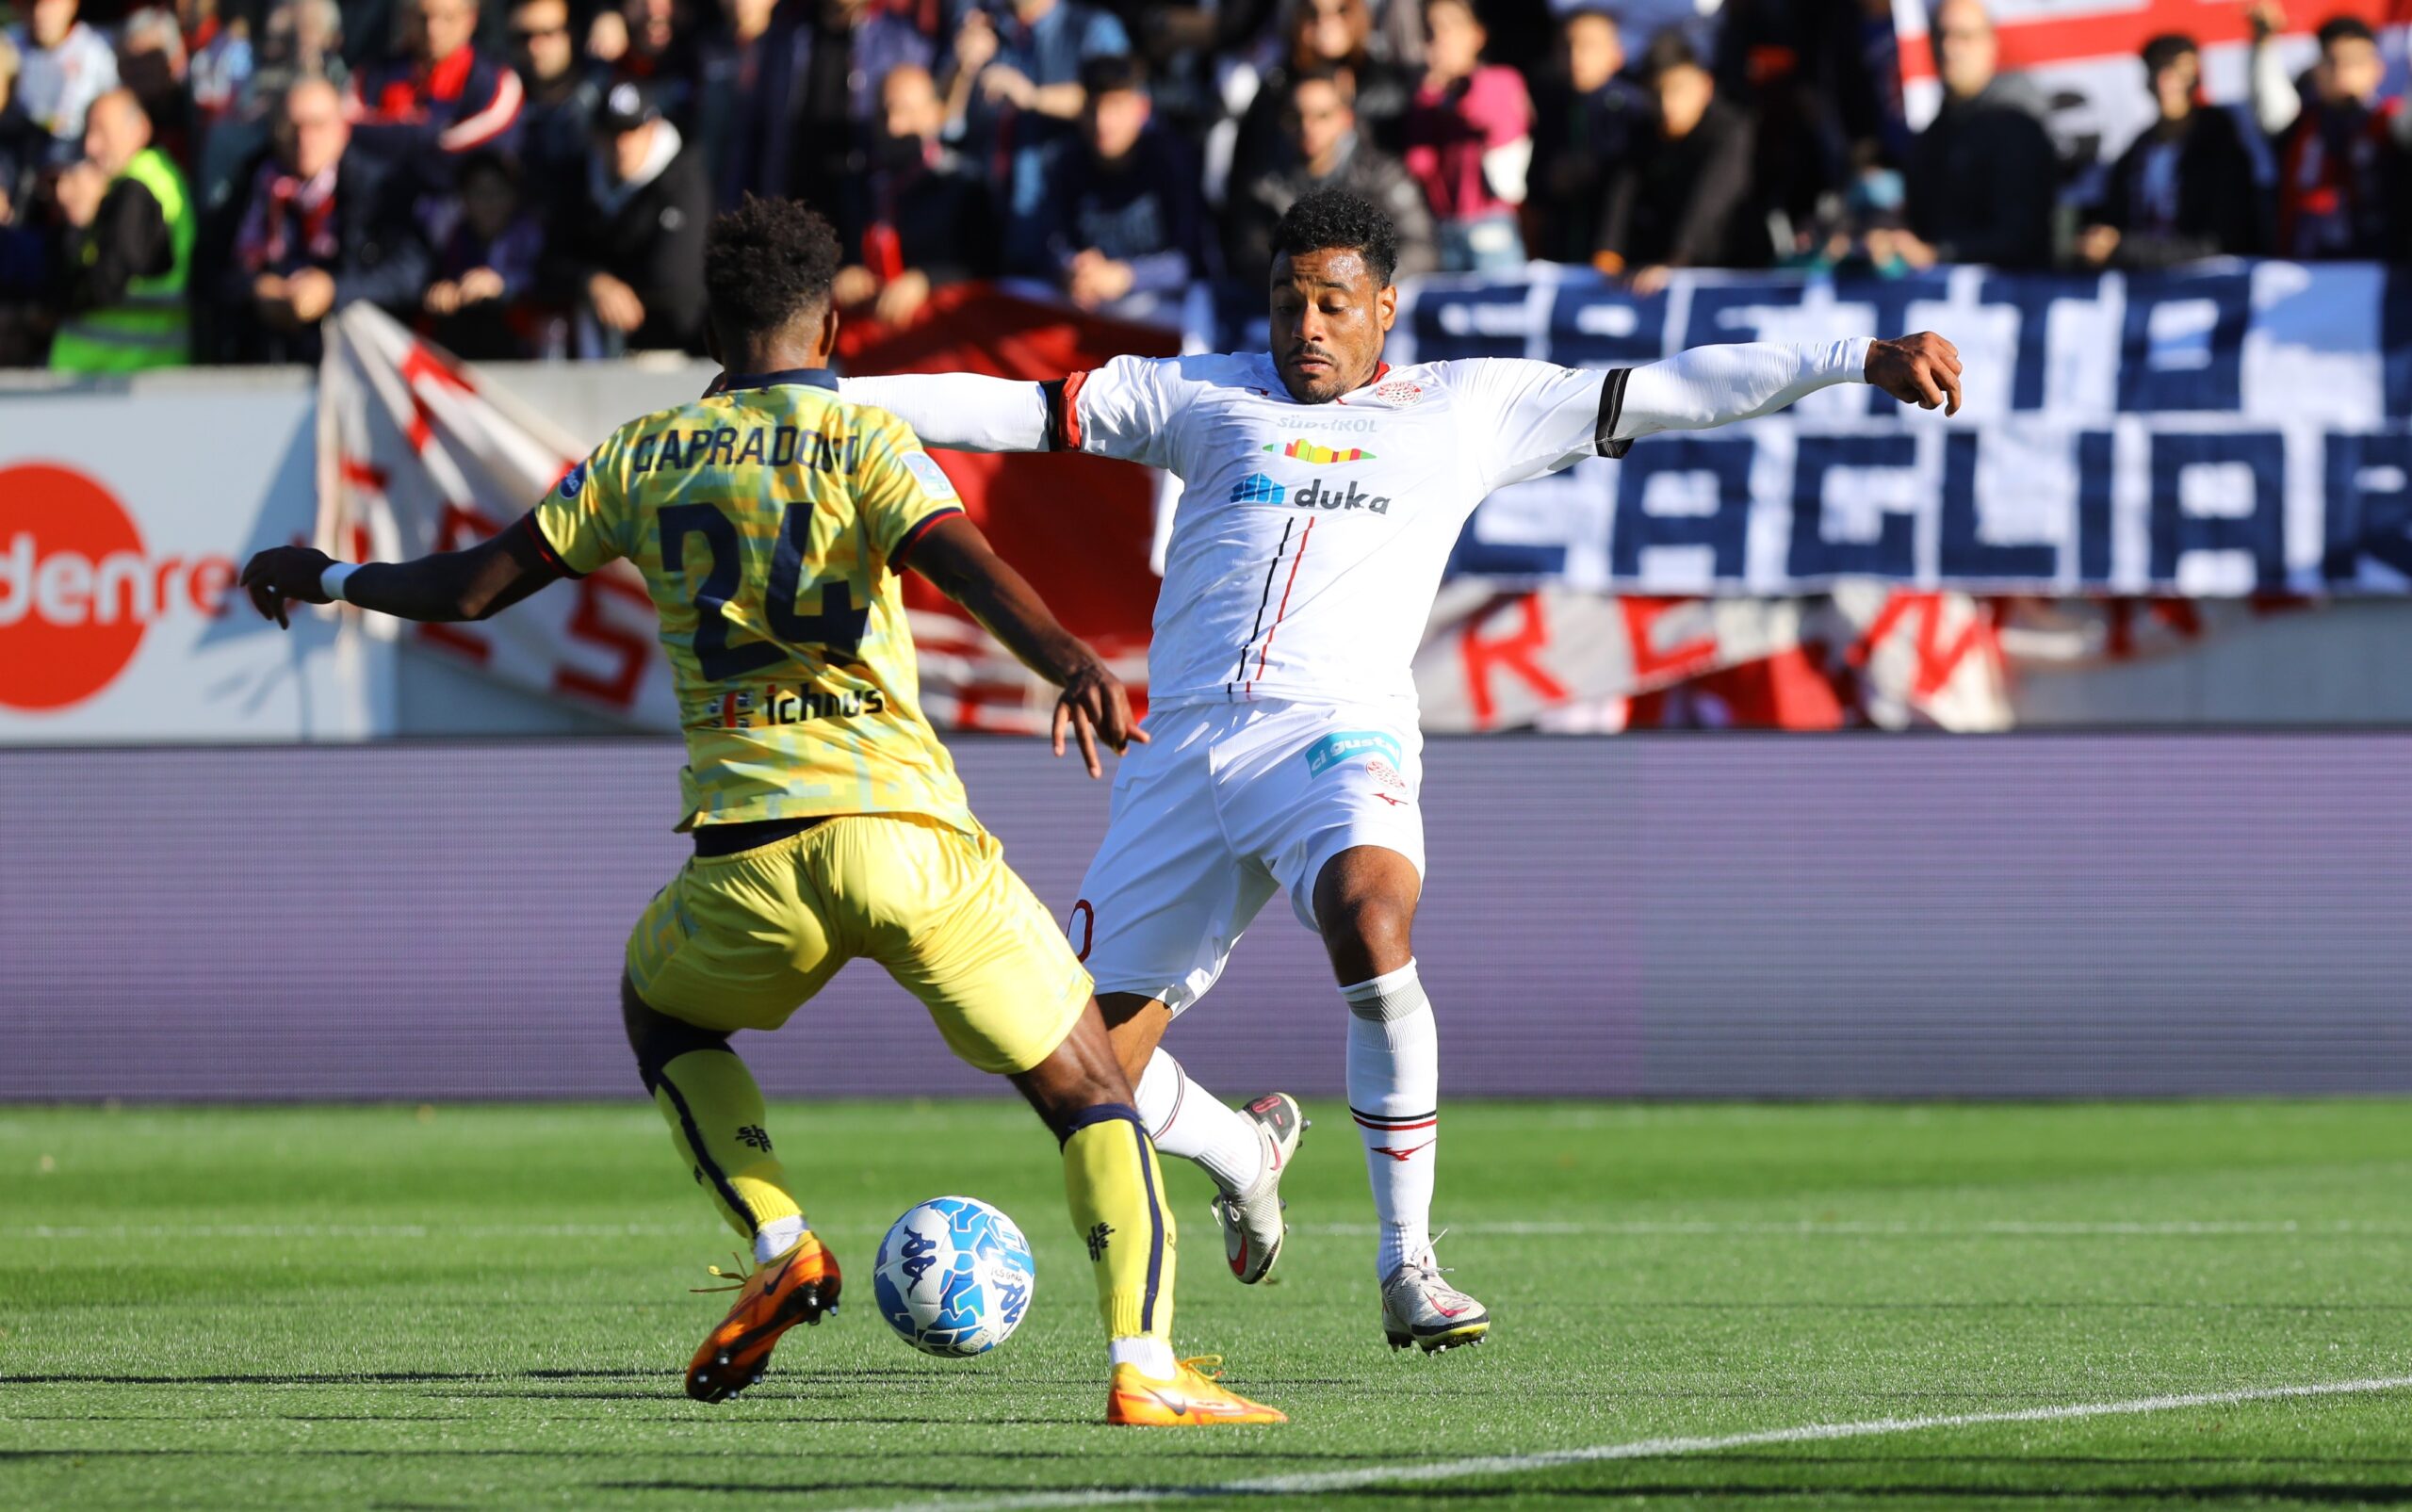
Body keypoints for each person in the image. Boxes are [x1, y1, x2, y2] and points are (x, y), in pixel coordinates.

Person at [837, 187, 1964, 1348]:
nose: (1305, 326)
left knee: (1370, 917)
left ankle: (1408, 1267)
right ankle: (1243, 1148)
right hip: (1178, 757)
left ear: (1385, 308)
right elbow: (1008, 410)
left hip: (1333, 733)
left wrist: (1851, 357)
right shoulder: (1200, 393)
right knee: (1074, 1074)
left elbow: (1673, 387)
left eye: (1332, 303)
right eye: (1286, 301)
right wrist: (823, 396)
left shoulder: (1465, 406)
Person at [233, 196, 1286, 1428]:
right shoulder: (863, 439)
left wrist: (329, 573)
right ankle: (1142, 1367)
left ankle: (781, 1235)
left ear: (707, 326)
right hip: (909, 843)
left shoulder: (642, 454)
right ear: (832, 320)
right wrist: (1072, 664)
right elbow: (963, 564)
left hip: (750, 860)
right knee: (1089, 1090)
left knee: (660, 1011)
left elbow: (473, 588)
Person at [221, 75, 428, 363]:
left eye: (317, 125)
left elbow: (409, 272)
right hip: (264, 370)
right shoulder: (249, 187)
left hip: (355, 367)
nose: (304, 139)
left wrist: (333, 291)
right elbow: (210, 267)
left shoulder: (378, 190)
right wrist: (254, 290)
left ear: (342, 128)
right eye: (292, 126)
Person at [940, 0, 1128, 269]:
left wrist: (1034, 97)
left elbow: (1122, 104)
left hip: (1064, 228)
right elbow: (942, 122)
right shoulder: (985, 27)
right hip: (985, 224)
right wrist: (960, 69)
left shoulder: (1093, 28)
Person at [1028, 54, 1205, 323]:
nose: (1102, 122)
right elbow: (1048, 242)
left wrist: (1126, 276)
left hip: (1166, 321)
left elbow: (1191, 260)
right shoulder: (1065, 163)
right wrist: (1070, 269)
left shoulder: (1172, 162)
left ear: (1142, 109)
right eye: (1093, 108)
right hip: (1091, 315)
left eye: (1116, 107)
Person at [545, 80, 709, 353]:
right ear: (594, 135)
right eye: (611, 133)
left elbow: (673, 280)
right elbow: (551, 260)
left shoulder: (684, 180)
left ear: (653, 129)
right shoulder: (578, 180)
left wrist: (609, 281)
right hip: (593, 349)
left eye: (633, 130)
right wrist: (593, 281)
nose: (622, 144)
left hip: (674, 350)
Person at [1226, 66, 1436, 279]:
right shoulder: (1263, 183)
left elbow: (1419, 247)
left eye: (1322, 115)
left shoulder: (1384, 175)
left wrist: (1356, 281)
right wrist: (1301, 281)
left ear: (1346, 119)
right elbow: (1249, 252)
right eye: (1296, 116)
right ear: (1282, 121)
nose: (1308, 127)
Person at [832, 61, 998, 329]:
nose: (893, 126)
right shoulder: (857, 187)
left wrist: (926, 280)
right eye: (884, 113)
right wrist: (843, 275)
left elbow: (986, 268)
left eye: (906, 112)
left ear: (936, 114)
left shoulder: (963, 186)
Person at [2078, 32, 2259, 269]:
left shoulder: (2222, 147)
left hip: (2208, 289)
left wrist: (2126, 248)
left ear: (2195, 77)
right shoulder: (2137, 152)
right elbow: (2117, 219)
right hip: (2144, 288)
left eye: (2176, 71)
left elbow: (2219, 242)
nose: (2166, 82)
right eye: (2157, 69)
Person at [1595, 30, 1758, 290]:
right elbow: (1623, 191)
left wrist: (1676, 262)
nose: (1667, 105)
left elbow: (1712, 201)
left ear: (1706, 85)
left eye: (1678, 90)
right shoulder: (1646, 129)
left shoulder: (1731, 130)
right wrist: (1608, 254)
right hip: (1655, 262)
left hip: (1725, 266)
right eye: (1657, 93)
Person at [47, 88, 194, 371]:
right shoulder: (160, 176)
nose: (91, 147)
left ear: (139, 130)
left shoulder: (135, 190)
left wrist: (80, 223)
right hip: (134, 372)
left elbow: (105, 283)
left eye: (102, 132)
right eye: (88, 133)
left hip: (114, 374)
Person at [1903, 0, 2056, 268]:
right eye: (1941, 35)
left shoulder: (2017, 128)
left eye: (1964, 36)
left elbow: (2019, 237)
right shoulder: (1934, 134)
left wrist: (1938, 254)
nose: (1949, 48)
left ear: (1991, 43)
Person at [2252, 8, 2405, 261]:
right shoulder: (2298, 126)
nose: (2342, 72)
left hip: (2380, 276)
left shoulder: (2388, 124)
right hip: (2304, 273)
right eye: (2332, 61)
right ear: (2317, 70)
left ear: (2376, 69)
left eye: (2354, 62)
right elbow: (2270, 109)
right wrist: (2264, 40)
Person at [1401, 0, 1530, 271]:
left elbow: (1493, 122)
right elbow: (1419, 164)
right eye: (1432, 31)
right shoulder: (1430, 97)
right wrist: (1428, 97)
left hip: (1491, 225)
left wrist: (1454, 86)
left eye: (1451, 27)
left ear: (1477, 35)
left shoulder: (1501, 79)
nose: (1441, 38)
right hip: (1444, 227)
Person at [1526, 6, 1647, 266]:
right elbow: (1535, 181)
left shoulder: (1632, 109)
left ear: (1616, 54)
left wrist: (1591, 171)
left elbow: (1634, 182)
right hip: (1561, 250)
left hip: (1621, 258)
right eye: (1567, 46)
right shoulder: (1552, 105)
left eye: (1589, 46)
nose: (1575, 56)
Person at [345, 0, 525, 169]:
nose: (433, 30)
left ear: (471, 19)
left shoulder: (496, 80)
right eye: (423, 17)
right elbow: (343, 128)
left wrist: (396, 130)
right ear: (406, 17)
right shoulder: (373, 74)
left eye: (448, 18)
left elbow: (479, 148)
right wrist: (429, 131)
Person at [422, 147, 543, 357]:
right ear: (465, 200)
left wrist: (501, 287)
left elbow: (544, 286)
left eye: (497, 192)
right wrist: (444, 291)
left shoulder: (533, 239)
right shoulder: (451, 241)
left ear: (513, 197)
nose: (489, 203)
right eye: (479, 193)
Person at [506, 0, 599, 206]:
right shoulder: (505, 106)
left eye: (548, 33)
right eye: (524, 37)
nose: (535, 47)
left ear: (571, 34)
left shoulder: (600, 97)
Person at [8, 0, 118, 167]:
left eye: (50, 3)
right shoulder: (8, 44)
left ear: (72, 5)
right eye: (31, 4)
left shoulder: (99, 50)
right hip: (17, 153)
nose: (40, 13)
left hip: (77, 157)